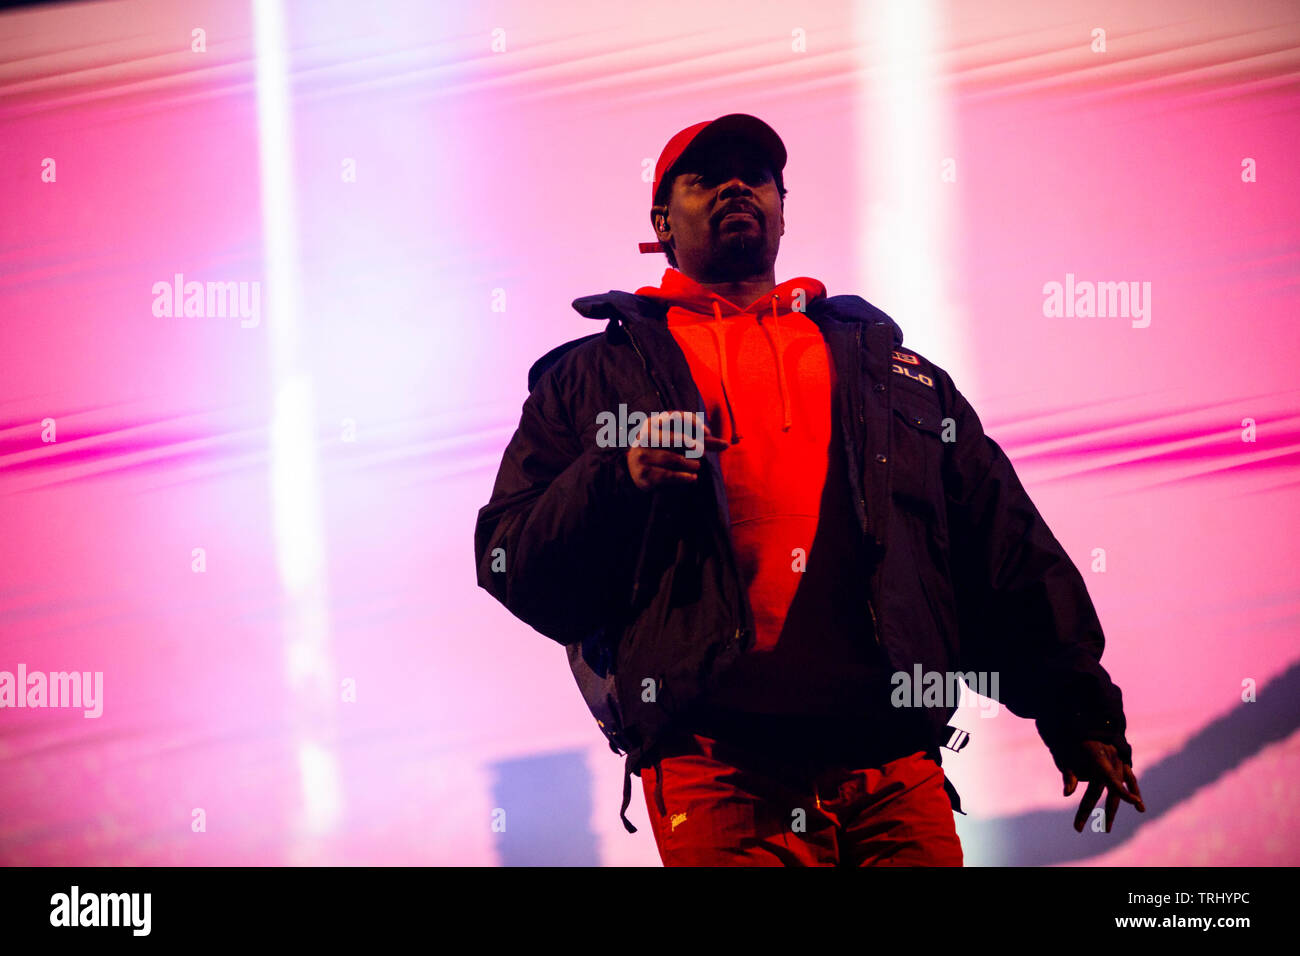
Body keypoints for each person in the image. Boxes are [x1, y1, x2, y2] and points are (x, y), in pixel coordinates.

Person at [474, 113, 1144, 866]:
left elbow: (1003, 545)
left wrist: (1076, 708)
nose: (736, 185)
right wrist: (614, 476)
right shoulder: (593, 379)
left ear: (783, 210)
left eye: (756, 175)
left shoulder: (893, 373)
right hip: (720, 769)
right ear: (661, 221)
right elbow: (510, 559)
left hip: (892, 763)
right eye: (706, 177)